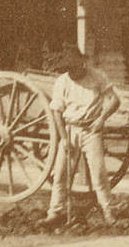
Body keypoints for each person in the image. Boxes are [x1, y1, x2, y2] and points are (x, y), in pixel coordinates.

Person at [40, 45, 120, 227]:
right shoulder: (62, 82)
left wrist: (101, 119)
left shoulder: (97, 77)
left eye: (74, 67)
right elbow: (57, 112)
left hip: (91, 131)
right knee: (60, 174)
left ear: (82, 63)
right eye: (68, 68)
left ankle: (109, 212)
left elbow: (115, 100)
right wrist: (64, 139)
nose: (72, 72)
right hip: (70, 130)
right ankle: (55, 213)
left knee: (99, 174)